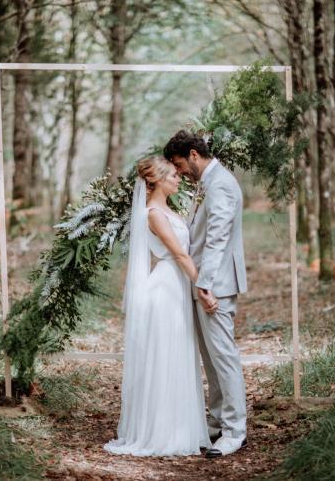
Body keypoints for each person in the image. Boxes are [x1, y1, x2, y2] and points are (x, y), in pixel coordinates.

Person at [104, 155, 211, 457]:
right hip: (165, 290)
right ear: (157, 181)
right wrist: (203, 287)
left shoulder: (169, 210)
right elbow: (179, 255)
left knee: (177, 356)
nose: (179, 179)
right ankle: (162, 432)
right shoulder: (153, 214)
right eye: (173, 176)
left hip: (176, 287)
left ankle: (181, 427)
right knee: (166, 358)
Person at [164, 129, 248, 458]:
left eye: (179, 163)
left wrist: (205, 285)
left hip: (216, 286)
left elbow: (218, 238)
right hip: (205, 283)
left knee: (224, 358)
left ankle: (235, 431)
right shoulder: (207, 182)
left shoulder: (222, 183)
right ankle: (216, 422)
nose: (179, 171)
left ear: (194, 155)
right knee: (211, 360)